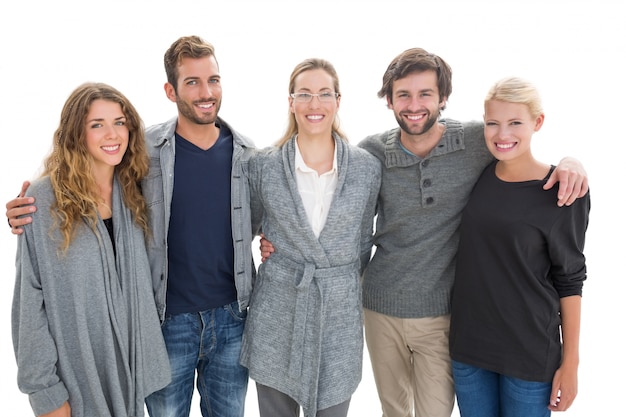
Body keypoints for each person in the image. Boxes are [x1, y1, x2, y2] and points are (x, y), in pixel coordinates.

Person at [6, 36, 256, 417]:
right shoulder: (146, 156)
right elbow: (33, 297)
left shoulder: (246, 156)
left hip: (229, 320)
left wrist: (271, 241)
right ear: (170, 90)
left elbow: (267, 216)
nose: (206, 92)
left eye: (213, 80)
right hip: (166, 324)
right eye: (192, 82)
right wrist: (25, 207)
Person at [11, 82, 171, 417]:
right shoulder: (43, 200)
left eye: (119, 122)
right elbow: (30, 303)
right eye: (97, 124)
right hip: (74, 382)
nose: (112, 134)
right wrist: (46, 394)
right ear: (76, 133)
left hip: (131, 378)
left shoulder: (132, 192)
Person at [239, 58, 381, 417]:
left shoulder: (366, 168)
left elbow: (363, 241)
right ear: (291, 102)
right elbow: (248, 224)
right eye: (304, 94)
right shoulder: (263, 166)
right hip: (278, 309)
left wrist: (333, 272)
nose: (314, 104)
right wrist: (269, 244)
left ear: (338, 100)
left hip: (338, 314)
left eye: (323, 94)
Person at [448, 77, 590, 417]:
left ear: (537, 123)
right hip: (469, 349)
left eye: (515, 123)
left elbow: (570, 280)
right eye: (492, 123)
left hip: (529, 356)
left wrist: (570, 364)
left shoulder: (563, 192)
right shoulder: (478, 174)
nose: (502, 135)